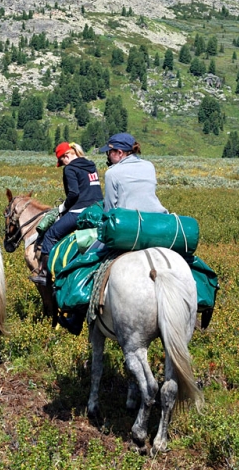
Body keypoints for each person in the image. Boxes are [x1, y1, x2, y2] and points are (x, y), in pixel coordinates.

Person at [35, 142, 103, 334]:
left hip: (80, 211)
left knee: (50, 236)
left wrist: (63, 208)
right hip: (98, 209)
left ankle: (47, 276)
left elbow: (73, 194)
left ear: (65, 156)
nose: (63, 164)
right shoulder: (90, 164)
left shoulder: (70, 169)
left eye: (61, 160)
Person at [99, 132, 167, 213]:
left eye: (109, 152)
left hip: (130, 220)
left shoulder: (112, 173)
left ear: (119, 153)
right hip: (156, 218)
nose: (108, 156)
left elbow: (109, 209)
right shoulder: (149, 166)